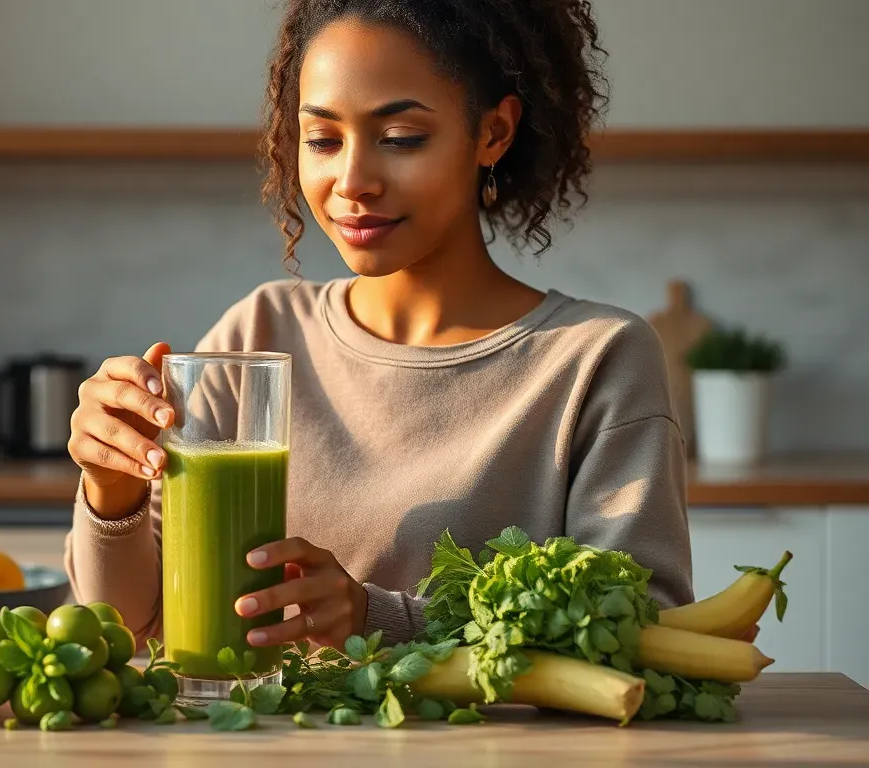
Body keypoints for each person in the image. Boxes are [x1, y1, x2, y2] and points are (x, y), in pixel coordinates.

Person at [64, 0, 693, 651]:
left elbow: (648, 629)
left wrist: (379, 619)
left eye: (400, 140)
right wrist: (113, 495)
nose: (353, 181)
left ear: (494, 133)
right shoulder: (259, 332)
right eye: (323, 140)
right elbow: (133, 631)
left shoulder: (596, 361)